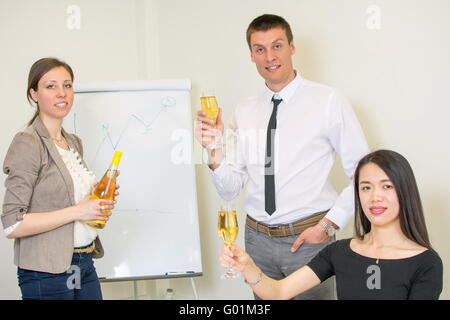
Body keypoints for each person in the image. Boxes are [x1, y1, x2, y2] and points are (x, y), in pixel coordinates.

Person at [196, 14, 369, 299]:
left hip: (310, 240)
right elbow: (230, 187)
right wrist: (212, 148)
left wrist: (328, 226)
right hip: (256, 242)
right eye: (259, 49)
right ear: (251, 55)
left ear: (291, 47)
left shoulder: (328, 101)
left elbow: (364, 175)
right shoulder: (244, 110)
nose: (269, 56)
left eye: (277, 46)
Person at [220, 150, 443, 300]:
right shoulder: (339, 251)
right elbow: (279, 291)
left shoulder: (426, 263)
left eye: (386, 186)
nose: (375, 197)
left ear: (404, 191)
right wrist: (248, 267)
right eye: (366, 187)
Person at [1, 57, 117, 300]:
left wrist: (95, 198)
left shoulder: (73, 142)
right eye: (50, 86)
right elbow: (13, 223)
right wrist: (78, 211)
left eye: (67, 85)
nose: (62, 93)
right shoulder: (28, 142)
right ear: (33, 93)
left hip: (83, 261)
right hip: (46, 271)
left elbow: (63, 197)